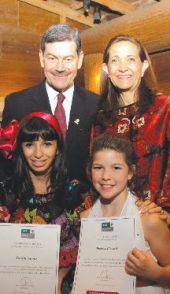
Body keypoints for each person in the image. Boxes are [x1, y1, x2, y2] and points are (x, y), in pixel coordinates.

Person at [92, 35, 170, 258]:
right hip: (113, 227)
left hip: (159, 227)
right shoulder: (101, 119)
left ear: (144, 66)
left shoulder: (168, 108)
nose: (123, 68)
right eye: (115, 61)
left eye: (130, 59)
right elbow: (95, 170)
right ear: (106, 69)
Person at [80, 133, 170, 294]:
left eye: (116, 168)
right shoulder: (85, 219)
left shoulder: (148, 218)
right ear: (89, 171)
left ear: (130, 172)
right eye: (98, 167)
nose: (106, 176)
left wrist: (155, 272)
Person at [0, 112, 88, 294]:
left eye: (47, 144)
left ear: (57, 148)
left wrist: (56, 280)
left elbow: (88, 248)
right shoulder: (7, 193)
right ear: (20, 149)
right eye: (30, 144)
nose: (38, 153)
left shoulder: (74, 192)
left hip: (64, 290)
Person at [2, 24, 99, 184]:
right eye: (52, 58)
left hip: (83, 203)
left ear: (80, 59)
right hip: (29, 204)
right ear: (41, 58)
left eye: (68, 59)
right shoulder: (16, 104)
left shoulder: (96, 104)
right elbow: (6, 166)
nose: (60, 68)